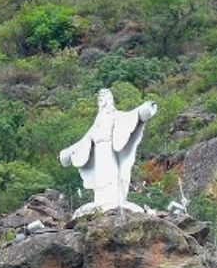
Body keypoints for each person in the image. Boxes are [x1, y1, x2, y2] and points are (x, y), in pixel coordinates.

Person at [59, 89, 157, 217]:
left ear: (110, 99)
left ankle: (112, 200)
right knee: (99, 177)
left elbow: (132, 115)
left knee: (110, 174)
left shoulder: (115, 115)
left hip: (108, 149)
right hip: (98, 151)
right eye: (99, 97)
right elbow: (86, 138)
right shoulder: (99, 119)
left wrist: (145, 109)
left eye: (104, 96)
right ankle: (100, 201)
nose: (101, 98)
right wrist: (69, 152)